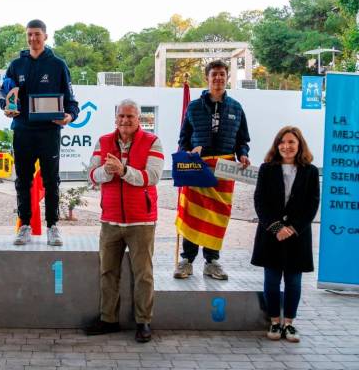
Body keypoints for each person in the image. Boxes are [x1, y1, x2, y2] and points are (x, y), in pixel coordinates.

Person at [84, 99, 164, 343]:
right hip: (110, 220)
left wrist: (123, 170)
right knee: (108, 272)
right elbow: (91, 175)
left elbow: (152, 177)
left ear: (139, 118)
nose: (125, 121)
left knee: (143, 274)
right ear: (115, 118)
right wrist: (106, 172)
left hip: (142, 221)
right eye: (121, 116)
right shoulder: (104, 141)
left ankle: (144, 322)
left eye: (130, 116)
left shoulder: (152, 141)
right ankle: (108, 319)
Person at [0, 19, 79, 246]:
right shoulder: (16, 65)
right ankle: (24, 225)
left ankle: (53, 226)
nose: (33, 38)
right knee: (22, 180)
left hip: (49, 133)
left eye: (37, 34)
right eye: (29, 34)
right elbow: (5, 96)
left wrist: (69, 116)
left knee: (51, 180)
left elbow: (71, 101)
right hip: (23, 131)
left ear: (45, 36)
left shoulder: (58, 65)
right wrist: (6, 109)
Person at [174, 60, 250, 280]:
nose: (218, 78)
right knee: (193, 213)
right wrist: (187, 154)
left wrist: (243, 153)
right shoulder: (194, 107)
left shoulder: (236, 107)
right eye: (214, 74)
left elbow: (242, 140)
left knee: (217, 216)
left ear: (227, 78)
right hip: (198, 166)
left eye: (222, 74)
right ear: (207, 78)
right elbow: (183, 139)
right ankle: (186, 260)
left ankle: (212, 261)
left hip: (225, 170)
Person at [251, 127, 319, 343]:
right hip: (271, 235)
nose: (286, 146)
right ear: (276, 144)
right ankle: (274, 322)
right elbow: (259, 202)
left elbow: (312, 205)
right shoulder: (266, 169)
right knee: (271, 281)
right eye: (282, 141)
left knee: (293, 282)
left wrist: (293, 228)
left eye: (291, 142)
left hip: (297, 236)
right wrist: (276, 228)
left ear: (299, 145)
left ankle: (289, 323)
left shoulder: (310, 171)